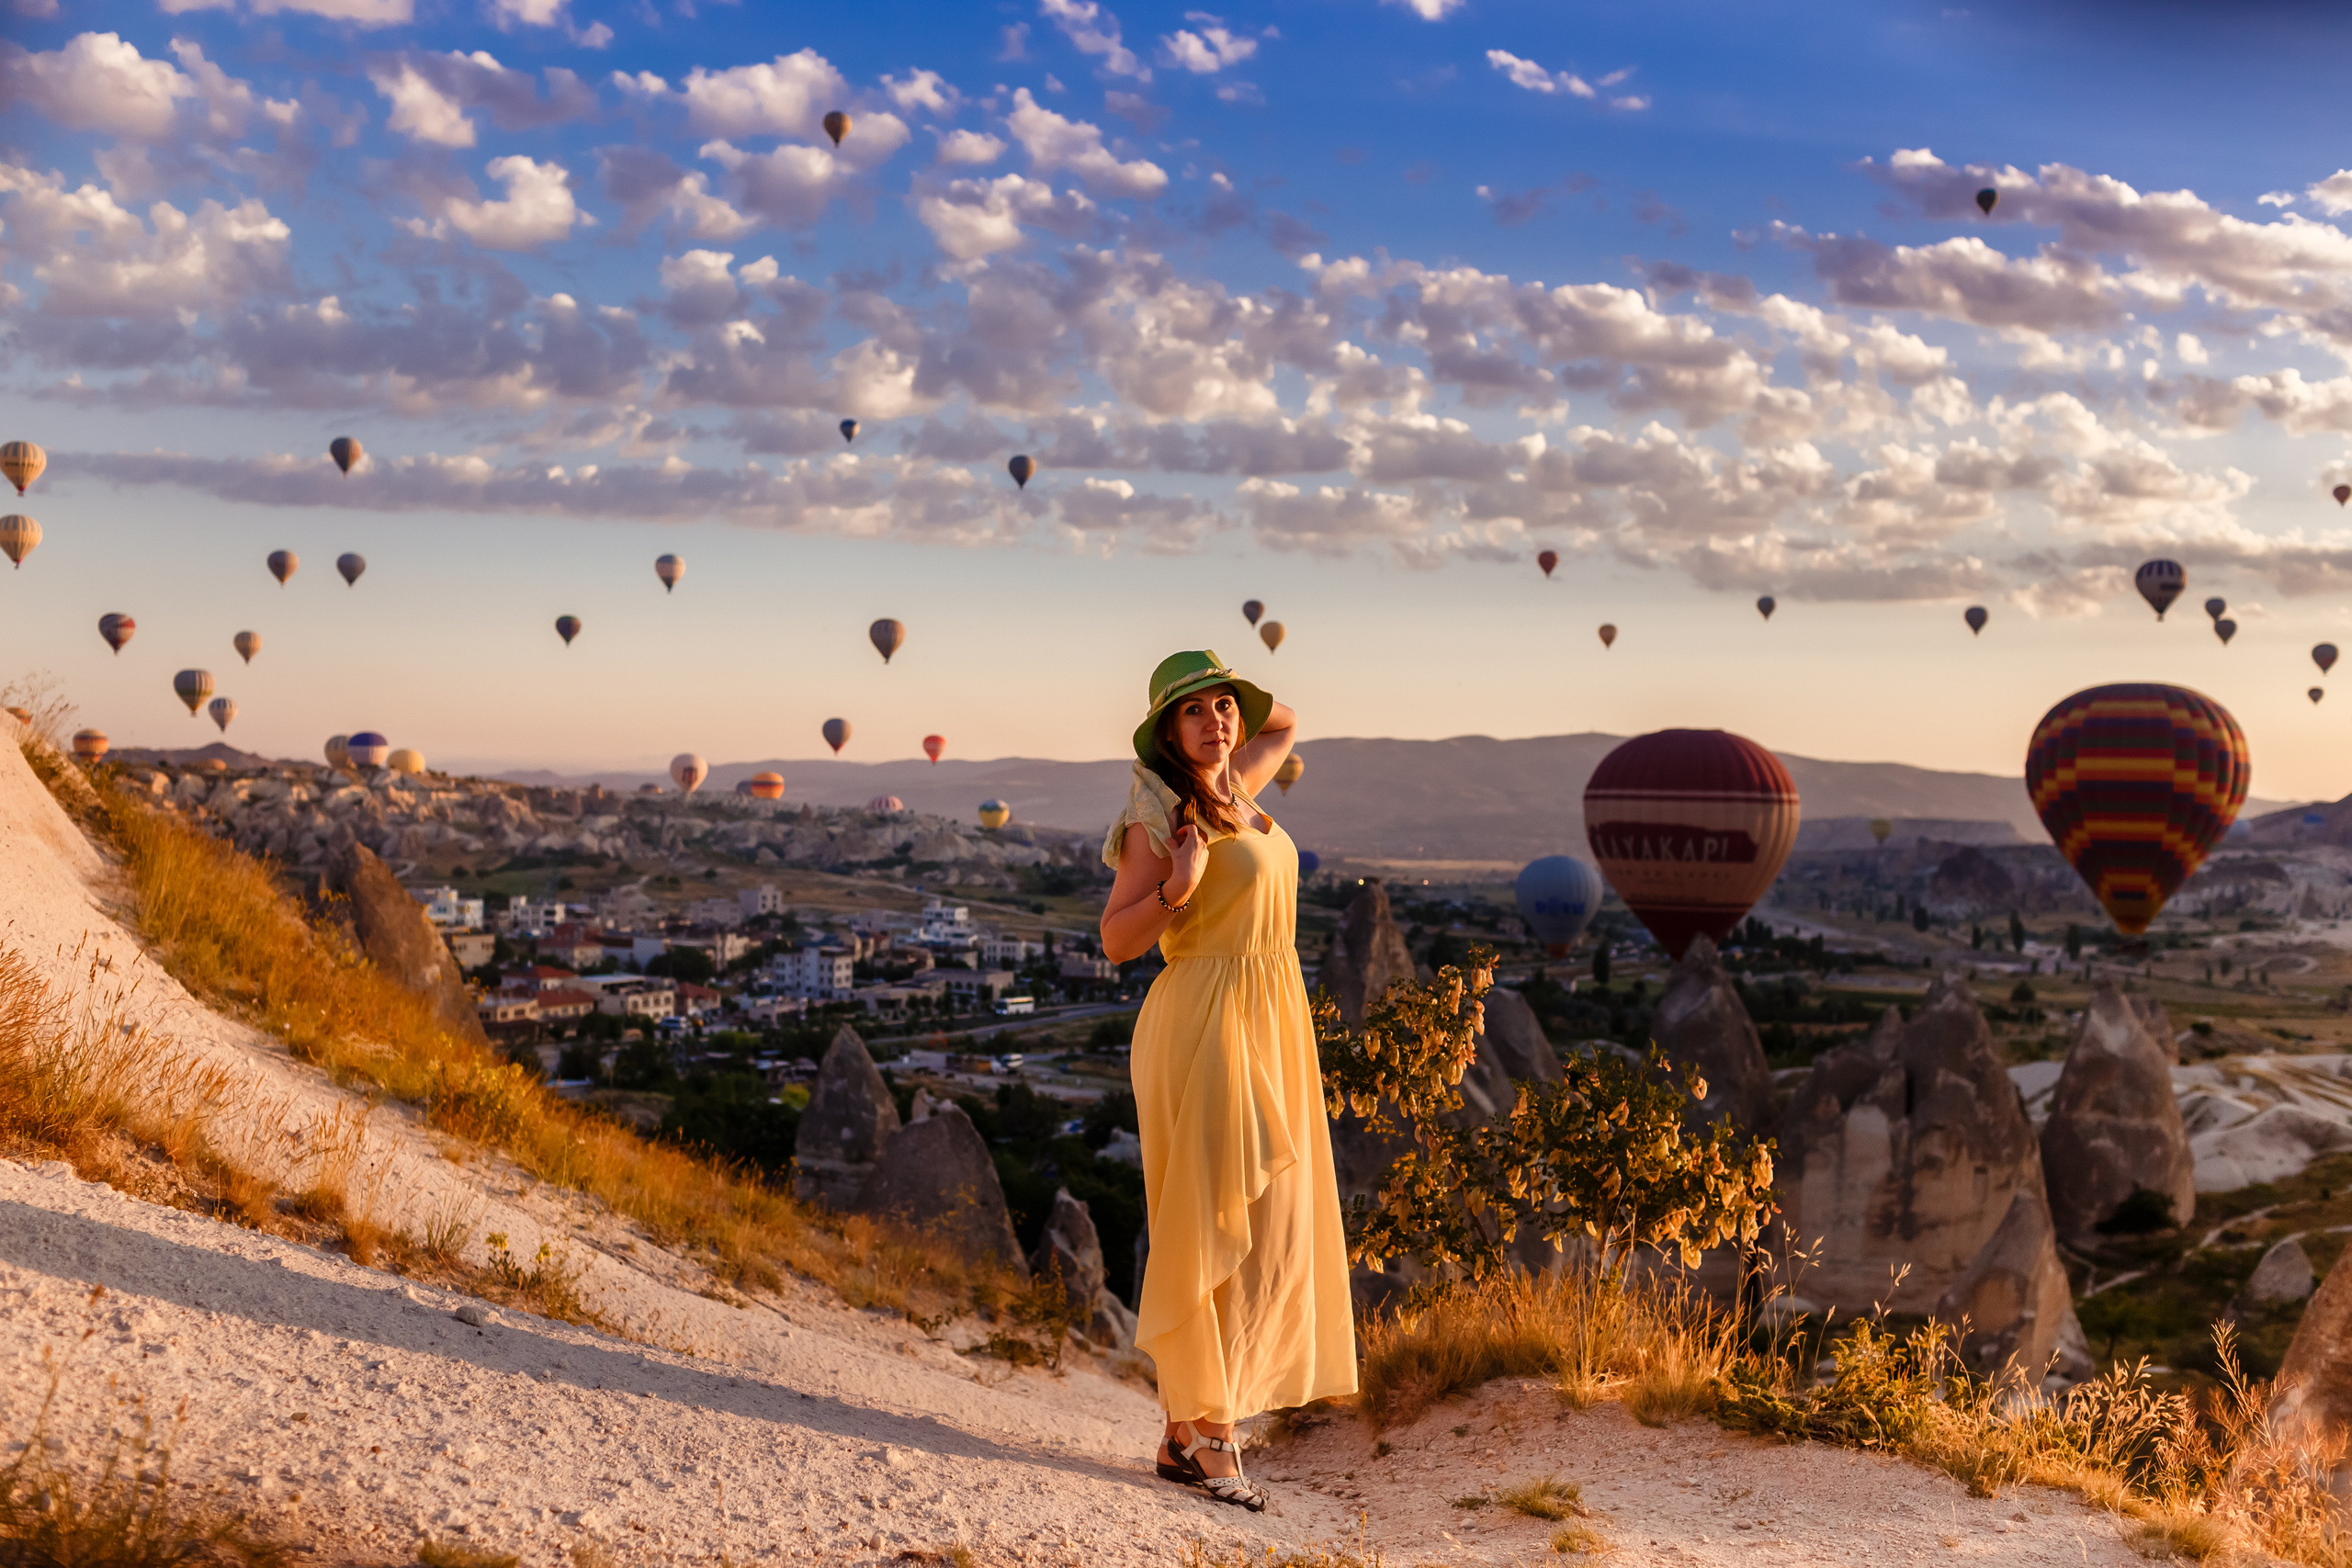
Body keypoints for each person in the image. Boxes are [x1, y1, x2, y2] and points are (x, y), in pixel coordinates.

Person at [1098, 649, 1354, 1512]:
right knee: (1210, 1219)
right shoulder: (1160, 813)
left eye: (1223, 705)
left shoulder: (1240, 787)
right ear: (1167, 731)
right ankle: (1212, 1435)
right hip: (1203, 1017)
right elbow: (1116, 940)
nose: (1218, 720)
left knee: (1268, 1219)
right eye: (1194, 711)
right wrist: (1177, 885)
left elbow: (1285, 719)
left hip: (1271, 1014)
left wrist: (1239, 697)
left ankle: (1182, 1433)